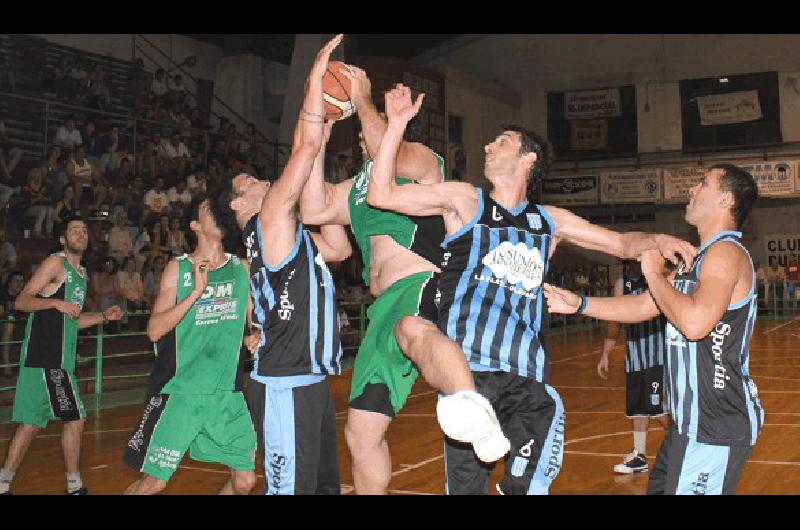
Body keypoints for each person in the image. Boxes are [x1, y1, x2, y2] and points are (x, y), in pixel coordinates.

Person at [365, 84, 697, 495]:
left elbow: (621, 244)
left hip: (527, 380)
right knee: (410, 330)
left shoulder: (549, 220)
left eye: (501, 141)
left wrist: (659, 239)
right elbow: (380, 194)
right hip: (468, 376)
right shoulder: (465, 201)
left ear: (529, 158)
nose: (487, 145)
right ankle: (473, 412)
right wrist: (396, 123)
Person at [300, 67, 509, 495]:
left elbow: (387, 152)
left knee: (412, 328)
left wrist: (362, 100)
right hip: (382, 307)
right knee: (361, 433)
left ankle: (473, 408)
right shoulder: (356, 187)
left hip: (420, 282)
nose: (364, 137)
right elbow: (313, 210)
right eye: (361, 133)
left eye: (370, 129)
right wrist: (317, 140)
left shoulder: (422, 162)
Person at [544, 164, 765, 495]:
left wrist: (654, 273)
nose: (692, 189)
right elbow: (646, 306)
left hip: (715, 424)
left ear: (725, 199)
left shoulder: (726, 253)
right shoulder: (700, 258)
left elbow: (693, 324)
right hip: (689, 426)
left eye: (703, 183)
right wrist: (579, 304)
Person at [219, 35, 352, 495]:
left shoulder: (285, 232)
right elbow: (305, 142)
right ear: (240, 204)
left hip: (308, 380)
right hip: (284, 383)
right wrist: (315, 81)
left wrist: (317, 158)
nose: (262, 179)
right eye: (251, 181)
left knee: (321, 489)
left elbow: (337, 246)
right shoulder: (269, 217)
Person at [122, 196, 258, 495]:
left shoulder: (242, 268)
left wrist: (255, 333)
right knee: (154, 483)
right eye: (209, 211)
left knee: (245, 481)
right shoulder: (178, 269)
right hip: (182, 392)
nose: (219, 214)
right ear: (195, 225)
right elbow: (154, 331)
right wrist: (196, 292)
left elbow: (254, 318)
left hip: (227, 393)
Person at [0, 216, 122, 495]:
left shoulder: (81, 275)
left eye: (84, 230)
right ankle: (74, 485)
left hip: (50, 359)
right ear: (63, 240)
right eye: (74, 230)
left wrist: (103, 315)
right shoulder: (56, 263)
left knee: (30, 424)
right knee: (76, 417)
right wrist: (56, 302)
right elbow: (21, 301)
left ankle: (3, 482)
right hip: (48, 358)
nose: (81, 233)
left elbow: (72, 320)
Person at [597, 260, 669, 474]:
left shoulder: (657, 279)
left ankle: (683, 444)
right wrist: (605, 354)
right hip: (635, 357)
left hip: (658, 355)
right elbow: (615, 321)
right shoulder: (622, 283)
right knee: (638, 407)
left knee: (655, 407)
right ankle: (639, 455)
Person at [0, 271, 25, 379]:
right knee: (9, 322)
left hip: (19, 326)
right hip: (3, 324)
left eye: (21, 281)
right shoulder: (2, 293)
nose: (19, 284)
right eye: (16, 281)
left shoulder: (25, 295)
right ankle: (6, 364)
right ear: (9, 283)